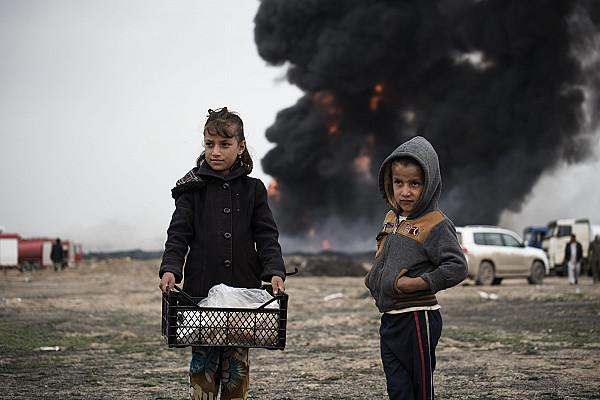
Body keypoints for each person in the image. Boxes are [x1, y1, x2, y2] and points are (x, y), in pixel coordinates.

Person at [158, 107, 286, 400]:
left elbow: (266, 235)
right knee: (202, 378)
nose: (215, 152)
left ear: (240, 147)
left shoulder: (254, 190)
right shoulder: (191, 189)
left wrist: (275, 271)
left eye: (224, 144)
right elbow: (178, 235)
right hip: (200, 296)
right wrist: (170, 268)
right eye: (209, 144)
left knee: (235, 380)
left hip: (243, 299)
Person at [365, 136, 468, 400]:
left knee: (419, 391)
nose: (405, 192)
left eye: (415, 184)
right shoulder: (392, 217)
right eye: (398, 183)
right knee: (397, 389)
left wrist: (417, 283)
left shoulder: (436, 223)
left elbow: (457, 266)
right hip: (390, 318)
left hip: (417, 317)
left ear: (429, 184)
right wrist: (374, 277)